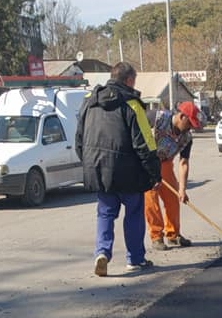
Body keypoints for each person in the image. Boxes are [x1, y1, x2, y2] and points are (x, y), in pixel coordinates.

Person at [75, 62, 161, 277]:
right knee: (133, 214)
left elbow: (79, 139)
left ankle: (102, 253)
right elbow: (145, 142)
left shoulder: (89, 102)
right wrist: (153, 172)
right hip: (128, 171)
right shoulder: (132, 104)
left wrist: (89, 162)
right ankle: (135, 259)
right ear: (130, 80)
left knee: (105, 213)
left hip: (98, 169)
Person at [144, 101, 202, 250]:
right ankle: (157, 237)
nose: (190, 128)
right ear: (182, 116)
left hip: (165, 164)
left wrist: (182, 189)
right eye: (189, 123)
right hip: (148, 164)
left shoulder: (186, 138)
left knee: (173, 197)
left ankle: (173, 234)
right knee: (151, 199)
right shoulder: (155, 118)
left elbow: (183, 162)